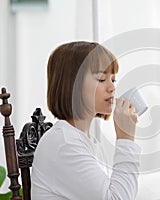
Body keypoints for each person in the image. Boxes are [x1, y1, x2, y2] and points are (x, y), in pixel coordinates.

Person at [31, 41, 141, 200]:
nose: (112, 88)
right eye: (102, 79)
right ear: (72, 85)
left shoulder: (86, 141)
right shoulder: (64, 143)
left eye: (113, 80)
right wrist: (126, 138)